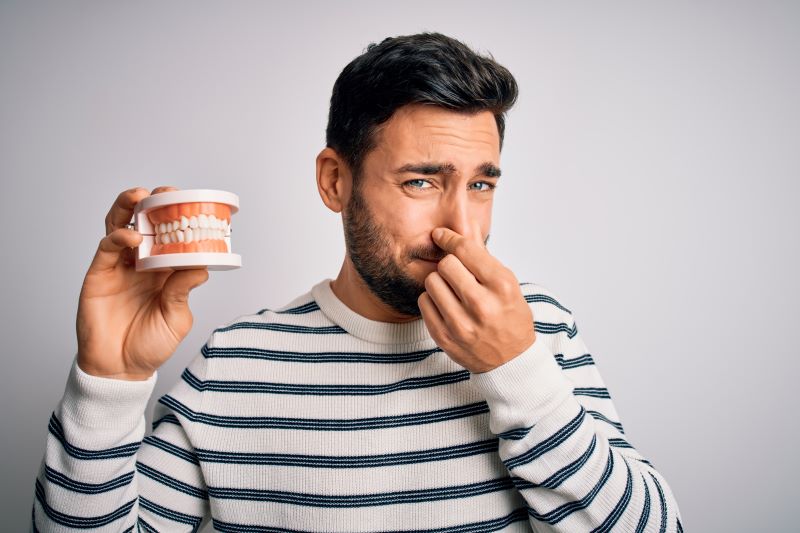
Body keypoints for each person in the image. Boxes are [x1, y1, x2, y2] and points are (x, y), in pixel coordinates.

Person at [32, 32, 683, 532]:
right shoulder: (235, 368)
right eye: (421, 180)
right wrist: (106, 383)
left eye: (481, 183)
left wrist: (521, 374)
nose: (461, 225)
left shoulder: (540, 330)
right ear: (334, 181)